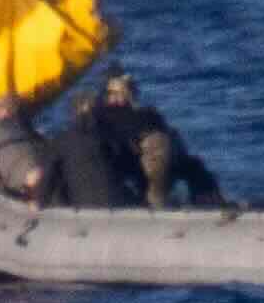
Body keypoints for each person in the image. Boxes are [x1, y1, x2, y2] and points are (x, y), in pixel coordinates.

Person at [78, 72, 222, 208]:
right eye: (114, 93)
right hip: (128, 162)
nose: (119, 97)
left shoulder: (145, 114)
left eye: (123, 92)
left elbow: (166, 138)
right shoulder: (103, 116)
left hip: (146, 162)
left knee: (190, 165)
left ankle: (208, 201)